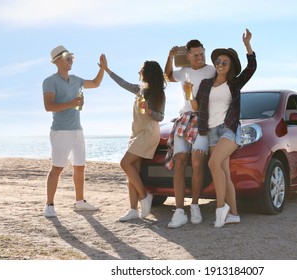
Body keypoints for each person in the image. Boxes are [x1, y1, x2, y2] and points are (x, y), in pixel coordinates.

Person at [192, 28, 257, 227]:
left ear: (230, 66)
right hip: (210, 130)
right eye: (218, 61)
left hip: (228, 129)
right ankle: (234, 214)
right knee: (224, 173)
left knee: (213, 164)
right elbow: (197, 106)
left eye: (224, 62)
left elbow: (251, 68)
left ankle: (221, 209)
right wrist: (187, 95)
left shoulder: (235, 84)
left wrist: (247, 45)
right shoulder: (205, 84)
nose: (220, 64)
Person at [101, 55, 166, 221]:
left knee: (124, 163)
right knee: (132, 172)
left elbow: (160, 117)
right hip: (136, 133)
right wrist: (107, 70)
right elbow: (123, 83)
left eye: (142, 70)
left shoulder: (159, 94)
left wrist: (149, 110)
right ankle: (132, 210)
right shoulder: (140, 90)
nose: (139, 71)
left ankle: (144, 196)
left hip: (148, 134)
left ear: (148, 73)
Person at [42, 45, 105, 218]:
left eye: (72, 58)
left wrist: (103, 69)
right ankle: (49, 205)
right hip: (60, 131)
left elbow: (96, 83)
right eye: (68, 58)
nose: (71, 61)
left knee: (80, 167)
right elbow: (49, 106)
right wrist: (72, 103)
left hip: (78, 130)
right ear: (58, 61)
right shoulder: (50, 81)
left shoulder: (76, 80)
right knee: (57, 168)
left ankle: (80, 202)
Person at [164, 40, 216, 228]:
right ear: (188, 56)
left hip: (202, 118)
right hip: (185, 117)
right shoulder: (184, 71)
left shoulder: (211, 70)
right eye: (196, 54)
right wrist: (170, 57)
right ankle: (179, 211)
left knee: (197, 159)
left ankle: (195, 205)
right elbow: (168, 76)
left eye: (202, 53)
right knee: (179, 160)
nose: (200, 57)